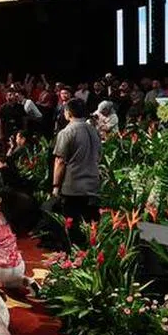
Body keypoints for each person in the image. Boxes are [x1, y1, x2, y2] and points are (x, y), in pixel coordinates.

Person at [52, 97, 101, 240]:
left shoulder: (66, 132)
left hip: (73, 187)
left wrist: (55, 186)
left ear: (68, 112)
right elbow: (99, 156)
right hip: (93, 184)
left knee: (72, 226)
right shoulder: (94, 130)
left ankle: (74, 257)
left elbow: (60, 161)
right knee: (90, 227)